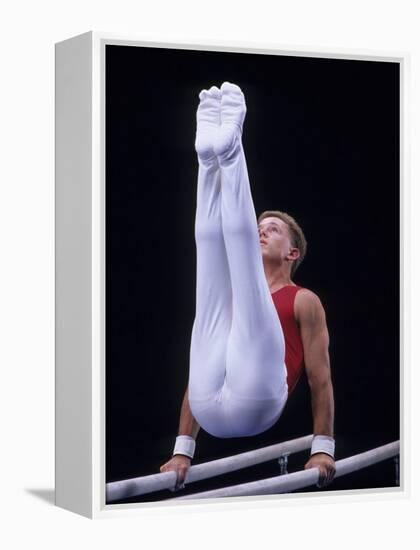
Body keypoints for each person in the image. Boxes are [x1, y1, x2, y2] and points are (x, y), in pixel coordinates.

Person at [160, 82, 335, 491]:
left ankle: (227, 153)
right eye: (258, 227)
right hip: (209, 400)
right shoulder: (234, 297)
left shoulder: (303, 300)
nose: (262, 232)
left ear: (293, 253)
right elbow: (199, 364)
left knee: (229, 272)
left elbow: (320, 377)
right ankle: (209, 159)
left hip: (259, 400)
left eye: (272, 230)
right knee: (211, 276)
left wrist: (323, 444)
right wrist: (183, 447)